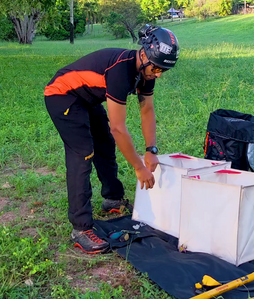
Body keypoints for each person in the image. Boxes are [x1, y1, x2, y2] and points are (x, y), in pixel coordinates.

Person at [44, 25, 180, 254]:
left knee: (104, 144)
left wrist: (151, 149)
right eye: (156, 68)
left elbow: (147, 110)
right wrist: (138, 166)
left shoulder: (146, 71)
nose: (157, 74)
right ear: (144, 54)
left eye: (163, 71)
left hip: (87, 98)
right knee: (83, 153)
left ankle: (112, 199)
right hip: (62, 96)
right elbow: (119, 128)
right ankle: (81, 228)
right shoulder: (120, 71)